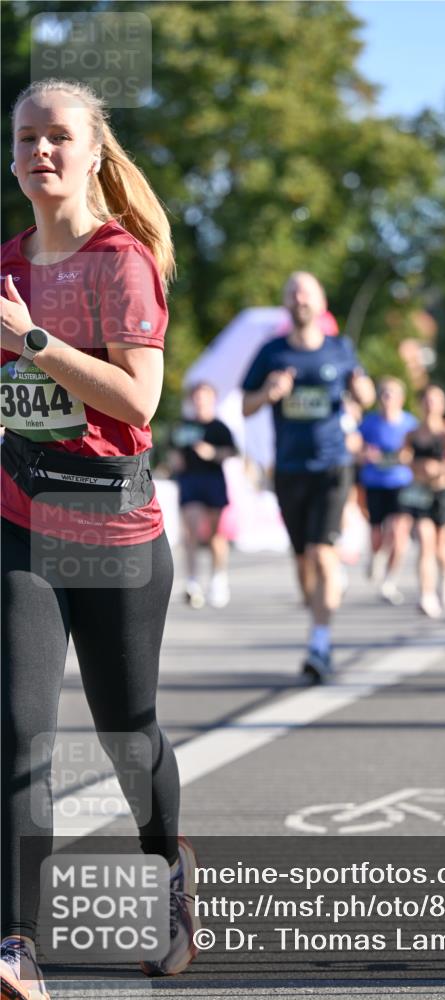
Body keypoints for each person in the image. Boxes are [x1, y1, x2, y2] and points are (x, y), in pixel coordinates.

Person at [1, 79, 198, 1000]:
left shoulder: (122, 261)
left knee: (128, 733)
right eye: (26, 138)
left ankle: (172, 878)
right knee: (17, 729)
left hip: (113, 529)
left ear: (92, 153)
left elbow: (137, 402)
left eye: (57, 137)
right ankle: (17, 945)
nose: (40, 151)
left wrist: (31, 337)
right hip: (21, 523)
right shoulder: (4, 262)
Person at [241, 271, 375, 681]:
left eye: (307, 291)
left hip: (332, 466)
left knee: (321, 552)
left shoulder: (340, 349)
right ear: (286, 303)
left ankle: (320, 643)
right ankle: (319, 602)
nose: (299, 297)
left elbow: (364, 396)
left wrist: (362, 390)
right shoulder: (272, 352)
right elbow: (246, 405)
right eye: (292, 291)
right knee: (303, 560)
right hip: (289, 468)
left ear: (321, 302)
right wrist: (270, 393)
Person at [400, 385, 445, 618]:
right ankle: (426, 594)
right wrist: (414, 466)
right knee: (424, 541)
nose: (430, 405)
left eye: (435, 400)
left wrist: (440, 468)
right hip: (420, 493)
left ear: (442, 405)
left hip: (442, 492)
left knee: (442, 546)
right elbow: (404, 458)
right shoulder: (412, 433)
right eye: (427, 400)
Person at [169, 382, 237, 608]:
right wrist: (175, 460)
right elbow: (173, 451)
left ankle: (218, 579)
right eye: (197, 398)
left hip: (213, 481)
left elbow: (232, 452)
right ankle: (192, 581)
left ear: (212, 401)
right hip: (190, 481)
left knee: (216, 534)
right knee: (191, 529)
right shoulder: (183, 426)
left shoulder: (219, 428)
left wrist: (213, 453)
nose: (200, 403)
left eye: (205, 398)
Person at [359, 376, 417, 605]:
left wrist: (407, 457)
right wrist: (364, 453)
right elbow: (355, 446)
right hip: (374, 483)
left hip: (401, 483)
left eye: (392, 393)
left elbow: (418, 451)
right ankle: (375, 556)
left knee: (399, 532)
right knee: (377, 536)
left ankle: (390, 581)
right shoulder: (369, 423)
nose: (387, 398)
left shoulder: (410, 424)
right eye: (383, 393)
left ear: (401, 399)